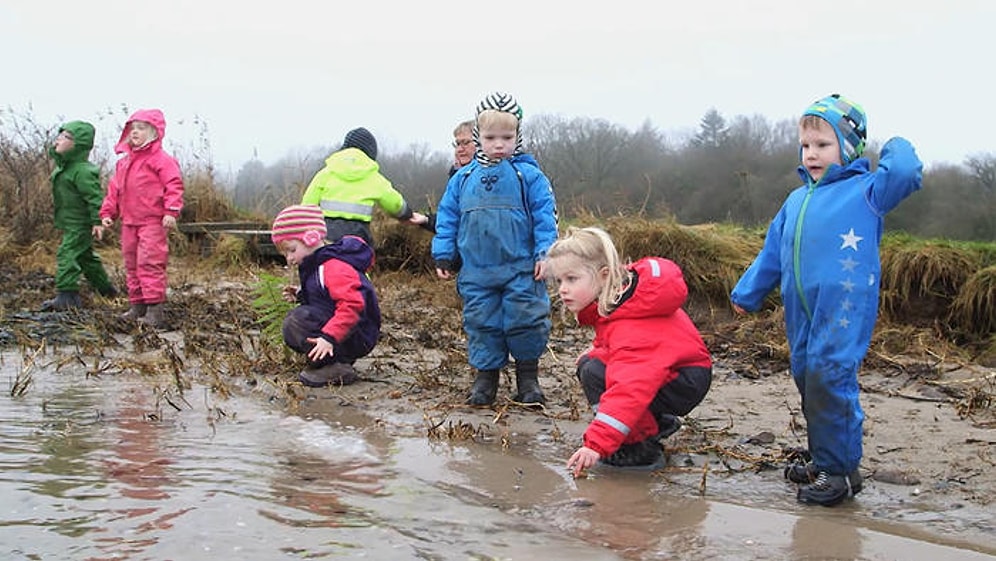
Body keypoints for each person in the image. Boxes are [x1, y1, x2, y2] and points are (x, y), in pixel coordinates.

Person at [730, 94, 923, 507]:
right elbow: (772, 253)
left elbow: (906, 171)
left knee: (829, 376)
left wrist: (892, 143)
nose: (811, 154)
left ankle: (841, 472)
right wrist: (748, 292)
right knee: (806, 375)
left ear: (848, 147)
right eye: (805, 145)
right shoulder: (796, 200)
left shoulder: (867, 191)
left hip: (844, 306)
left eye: (823, 144)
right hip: (800, 308)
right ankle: (825, 458)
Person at [545, 227, 713, 476]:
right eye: (559, 281)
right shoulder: (626, 297)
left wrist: (596, 445)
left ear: (603, 276)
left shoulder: (631, 326)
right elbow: (625, 345)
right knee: (592, 363)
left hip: (683, 381)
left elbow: (629, 387)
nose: (562, 289)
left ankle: (639, 449)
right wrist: (598, 348)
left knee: (594, 373)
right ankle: (657, 422)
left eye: (571, 279)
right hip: (677, 371)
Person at [431, 92, 558, 406]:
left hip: (522, 269)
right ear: (478, 137)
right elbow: (447, 218)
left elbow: (546, 217)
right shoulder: (463, 178)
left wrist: (546, 254)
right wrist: (443, 253)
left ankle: (528, 379)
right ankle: (485, 379)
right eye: (490, 138)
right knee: (481, 321)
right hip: (476, 270)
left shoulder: (529, 175)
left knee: (526, 319)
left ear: (518, 136)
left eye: (507, 137)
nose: (499, 145)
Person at [271, 204, 381, 388]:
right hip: (348, 331)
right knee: (296, 320)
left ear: (311, 239)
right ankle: (334, 359)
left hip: (358, 332)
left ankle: (334, 365)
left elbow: (352, 305)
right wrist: (301, 294)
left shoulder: (333, 267)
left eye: (292, 250)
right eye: (285, 253)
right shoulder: (317, 264)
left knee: (296, 321)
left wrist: (329, 337)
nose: (289, 258)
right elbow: (325, 298)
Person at [95, 109, 184, 329]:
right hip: (129, 222)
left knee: (150, 262)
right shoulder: (124, 163)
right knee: (131, 264)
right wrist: (107, 213)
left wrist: (171, 211)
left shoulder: (162, 160)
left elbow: (173, 185)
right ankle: (137, 305)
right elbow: (114, 190)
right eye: (132, 128)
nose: (135, 132)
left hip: (152, 221)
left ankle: (155, 310)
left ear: (154, 132)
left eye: (141, 128)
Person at [41, 120, 117, 311]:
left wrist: (98, 221)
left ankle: (67, 295)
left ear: (79, 144)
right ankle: (105, 289)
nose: (58, 139)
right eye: (59, 135)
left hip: (80, 224)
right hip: (70, 221)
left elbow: (94, 197)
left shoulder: (82, 170)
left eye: (66, 137)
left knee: (67, 253)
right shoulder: (64, 167)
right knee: (85, 257)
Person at [301, 127, 415, 247]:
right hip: (359, 239)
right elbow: (395, 203)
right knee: (362, 256)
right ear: (370, 154)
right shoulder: (373, 177)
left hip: (327, 237)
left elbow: (307, 205)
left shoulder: (327, 172)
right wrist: (407, 213)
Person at [410, 119, 477, 232]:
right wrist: (426, 220)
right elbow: (451, 219)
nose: (459, 149)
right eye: (457, 144)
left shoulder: (490, 178)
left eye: (466, 143)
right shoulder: (456, 177)